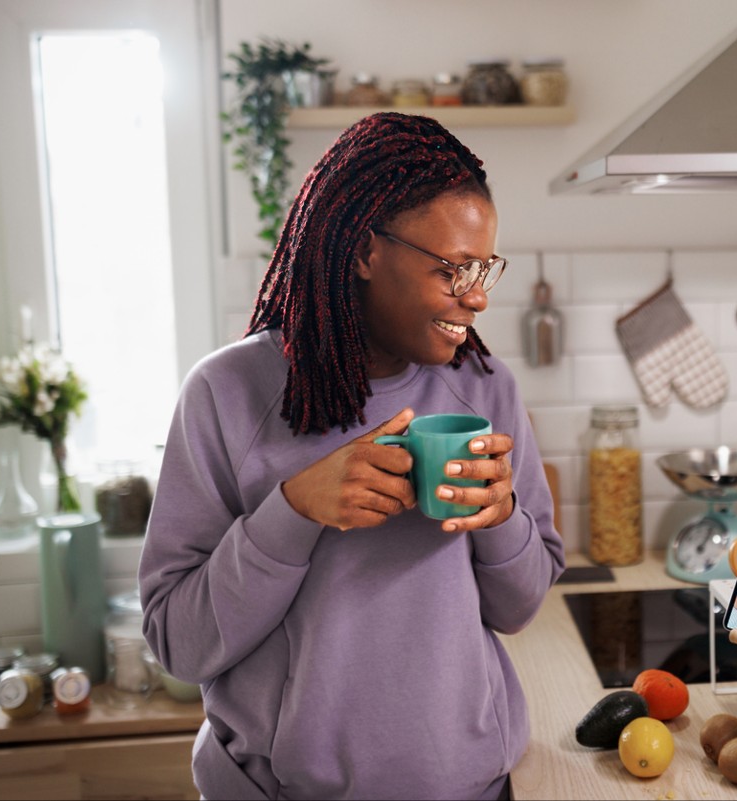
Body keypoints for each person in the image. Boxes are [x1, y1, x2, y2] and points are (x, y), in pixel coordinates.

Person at [139, 112, 565, 801]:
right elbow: (178, 645)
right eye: (453, 270)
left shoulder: (487, 388)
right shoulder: (226, 394)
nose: (478, 297)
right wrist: (293, 511)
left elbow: (519, 608)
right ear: (366, 251)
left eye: (483, 268)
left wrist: (503, 516)